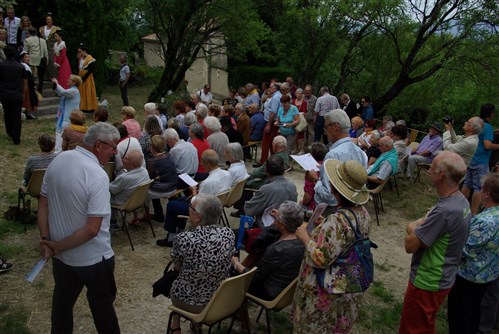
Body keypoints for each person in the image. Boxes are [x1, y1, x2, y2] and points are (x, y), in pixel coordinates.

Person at [37, 122, 121, 334]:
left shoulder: (58, 159)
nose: (116, 151)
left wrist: (48, 240)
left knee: (62, 305)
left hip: (62, 259)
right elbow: (92, 229)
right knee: (103, 309)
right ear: (99, 145)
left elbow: (43, 203)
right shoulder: (97, 175)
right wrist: (55, 245)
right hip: (93, 258)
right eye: (113, 146)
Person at [293, 159, 371, 333]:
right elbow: (347, 237)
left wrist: (305, 238)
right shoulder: (363, 213)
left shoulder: (337, 221)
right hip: (349, 279)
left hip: (327, 287)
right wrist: (325, 224)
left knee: (319, 327)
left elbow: (322, 258)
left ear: (335, 189)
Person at [399, 151, 471, 334]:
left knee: (412, 329)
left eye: (432, 167)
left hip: (427, 280)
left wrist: (412, 225)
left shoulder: (444, 211)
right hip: (444, 277)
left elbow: (410, 245)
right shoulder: (461, 202)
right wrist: (422, 226)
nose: (428, 170)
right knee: (425, 324)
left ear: (442, 175)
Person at [168, 193, 235, 333]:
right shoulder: (229, 234)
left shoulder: (183, 238)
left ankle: (176, 323)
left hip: (189, 302)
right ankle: (193, 324)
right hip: (219, 300)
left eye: (190, 208)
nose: (188, 210)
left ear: (198, 217)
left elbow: (178, 267)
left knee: (174, 279)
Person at [447, 173, 499, 334]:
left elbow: (463, 249)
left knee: (460, 315)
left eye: (481, 188)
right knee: (475, 311)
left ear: (487, 194)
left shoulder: (485, 221)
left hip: (469, 276)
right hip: (488, 275)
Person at [157, 149, 232, 247]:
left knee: (171, 205)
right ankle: (180, 229)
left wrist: (193, 191)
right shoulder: (227, 174)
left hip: (203, 210)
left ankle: (171, 237)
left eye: (202, 162)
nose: (201, 163)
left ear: (208, 163)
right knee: (179, 200)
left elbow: (196, 203)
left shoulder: (208, 182)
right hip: (217, 203)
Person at [311, 109, 368, 213]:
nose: (324, 131)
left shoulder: (333, 154)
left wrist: (315, 181)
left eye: (326, 127)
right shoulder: (361, 153)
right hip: (352, 209)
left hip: (332, 211)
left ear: (335, 127)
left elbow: (330, 196)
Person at [462, 103, 499, 215]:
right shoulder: (488, 127)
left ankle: (461, 210)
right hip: (481, 162)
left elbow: (481, 135)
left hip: (472, 158)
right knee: (479, 188)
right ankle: (473, 214)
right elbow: (487, 145)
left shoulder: (478, 123)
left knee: (467, 185)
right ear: (491, 113)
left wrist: (494, 132)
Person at [244, 155, 298, 226]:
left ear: (266, 170)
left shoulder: (266, 189)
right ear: (284, 169)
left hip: (268, 230)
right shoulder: (292, 186)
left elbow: (248, 209)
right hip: (287, 226)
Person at [109, 150, 150, 230]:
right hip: (137, 202)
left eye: (126, 158)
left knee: (104, 196)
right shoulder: (144, 171)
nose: (123, 159)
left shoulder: (124, 178)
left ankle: (112, 223)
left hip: (123, 203)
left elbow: (111, 190)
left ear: (133, 164)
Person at [144, 135, 177, 222]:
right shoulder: (168, 155)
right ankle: (160, 214)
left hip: (162, 190)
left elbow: (149, 178)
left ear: (152, 147)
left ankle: (150, 215)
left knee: (144, 193)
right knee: (156, 185)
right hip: (173, 187)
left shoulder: (151, 161)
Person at [0, 45, 26, 145]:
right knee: (16, 115)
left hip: (5, 93)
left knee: (7, 113)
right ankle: (16, 137)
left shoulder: (1, 66)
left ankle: (10, 131)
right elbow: (24, 81)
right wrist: (23, 93)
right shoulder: (20, 66)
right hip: (17, 94)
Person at [52, 75, 82, 152]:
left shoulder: (74, 91)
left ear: (74, 82)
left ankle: (57, 151)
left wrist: (57, 83)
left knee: (59, 133)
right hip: (68, 117)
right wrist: (56, 85)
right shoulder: (72, 90)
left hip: (67, 118)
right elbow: (60, 93)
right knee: (63, 134)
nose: (68, 80)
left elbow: (62, 92)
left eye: (70, 79)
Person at [302, 142, 327, 210]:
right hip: (327, 205)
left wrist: (302, 203)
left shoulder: (311, 171)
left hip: (314, 207)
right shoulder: (328, 167)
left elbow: (308, 195)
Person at [77, 44, 98, 113]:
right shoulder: (81, 59)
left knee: (88, 91)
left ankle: (89, 107)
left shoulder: (90, 59)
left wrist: (83, 78)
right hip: (81, 76)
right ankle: (82, 106)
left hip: (87, 78)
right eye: (78, 52)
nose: (79, 53)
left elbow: (90, 70)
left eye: (80, 52)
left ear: (84, 51)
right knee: (82, 92)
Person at [39, 13, 59, 81]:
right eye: (47, 19)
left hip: (52, 47)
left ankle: (53, 77)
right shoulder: (42, 28)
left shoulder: (56, 29)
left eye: (50, 19)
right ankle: (45, 77)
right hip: (44, 46)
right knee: (44, 60)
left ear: (52, 20)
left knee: (52, 61)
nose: (49, 21)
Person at [19, 51, 38, 119]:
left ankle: (29, 113)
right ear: (22, 58)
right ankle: (29, 113)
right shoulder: (24, 66)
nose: (28, 58)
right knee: (29, 98)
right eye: (26, 57)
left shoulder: (25, 66)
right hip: (28, 85)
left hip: (29, 85)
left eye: (28, 57)